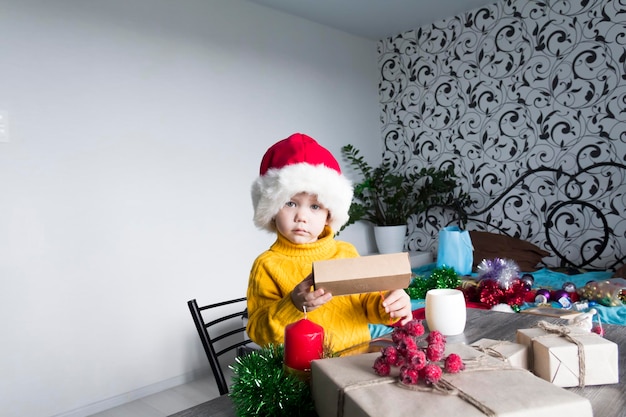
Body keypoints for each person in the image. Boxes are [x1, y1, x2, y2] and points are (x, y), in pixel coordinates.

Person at [246, 132, 412, 353]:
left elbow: (368, 305)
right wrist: (292, 306)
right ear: (272, 210)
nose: (301, 217)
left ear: (329, 214)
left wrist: (391, 306)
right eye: (290, 203)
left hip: (358, 365)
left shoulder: (345, 252)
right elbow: (259, 333)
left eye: (315, 206)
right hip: (304, 377)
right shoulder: (267, 265)